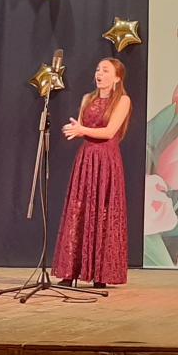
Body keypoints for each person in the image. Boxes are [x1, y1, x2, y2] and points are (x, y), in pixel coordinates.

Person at [52, 57, 131, 288]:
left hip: (107, 160)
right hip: (86, 159)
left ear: (117, 78)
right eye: (98, 70)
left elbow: (109, 132)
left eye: (105, 71)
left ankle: (101, 275)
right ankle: (70, 272)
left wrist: (81, 129)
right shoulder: (87, 98)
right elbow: (81, 127)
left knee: (103, 211)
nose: (99, 74)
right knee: (79, 210)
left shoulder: (122, 100)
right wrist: (76, 130)